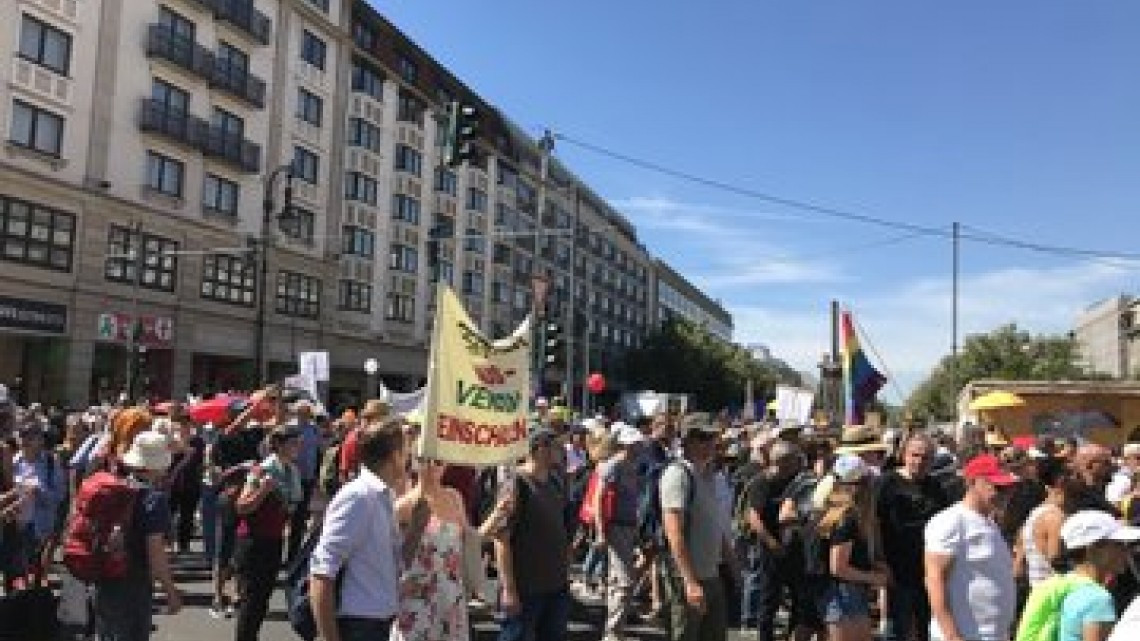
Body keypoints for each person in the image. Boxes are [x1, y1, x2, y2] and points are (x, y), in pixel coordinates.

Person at [390, 453, 513, 641]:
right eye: (424, 460)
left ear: (446, 465)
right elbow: (392, 557)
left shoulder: (454, 497)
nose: (431, 467)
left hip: (451, 598)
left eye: (438, 462)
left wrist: (496, 515)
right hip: (417, 601)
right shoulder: (403, 506)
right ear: (414, 463)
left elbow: (471, 541)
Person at [311, 418, 408, 641]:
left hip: (384, 621)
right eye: (406, 452)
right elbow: (321, 574)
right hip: (361, 624)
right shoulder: (359, 496)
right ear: (394, 456)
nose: (408, 460)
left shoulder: (383, 495)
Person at [92, 429, 182, 641]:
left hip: (104, 576)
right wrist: (170, 590)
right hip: (134, 581)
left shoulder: (116, 487)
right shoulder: (153, 499)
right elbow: (156, 553)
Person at [925, 453, 1017, 641]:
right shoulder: (951, 521)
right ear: (972, 482)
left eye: (1008, 488)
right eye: (997, 487)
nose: (1005, 494)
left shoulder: (990, 522)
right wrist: (952, 636)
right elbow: (934, 581)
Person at [660, 415, 734, 641]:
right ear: (688, 441)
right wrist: (690, 581)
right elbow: (674, 531)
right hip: (688, 576)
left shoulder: (708, 474)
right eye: (703, 437)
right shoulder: (678, 474)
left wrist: (730, 562)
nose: (710, 442)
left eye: (712, 436)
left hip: (711, 574)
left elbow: (715, 523)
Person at [1016, 510, 1140, 641]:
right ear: (1093, 549)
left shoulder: (1059, 586)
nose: (1126, 551)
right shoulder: (1098, 599)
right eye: (1118, 544)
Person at [496, 428, 572, 641]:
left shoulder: (557, 481)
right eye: (557, 446)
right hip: (526, 587)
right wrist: (509, 589)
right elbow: (501, 539)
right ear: (540, 449)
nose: (563, 451)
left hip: (556, 586)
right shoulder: (517, 483)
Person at [232, 424, 303, 641]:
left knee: (263, 598)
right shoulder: (262, 470)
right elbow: (242, 507)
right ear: (279, 445)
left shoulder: (292, 471)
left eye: (299, 443)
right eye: (293, 443)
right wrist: (263, 491)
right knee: (252, 599)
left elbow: (293, 505)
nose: (298, 447)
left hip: (273, 540)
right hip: (253, 541)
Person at [877, 432, 950, 641]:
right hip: (897, 570)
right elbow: (873, 525)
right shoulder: (886, 483)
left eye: (925, 457)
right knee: (899, 630)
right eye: (915, 455)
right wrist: (880, 561)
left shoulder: (936, 486)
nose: (919, 461)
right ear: (904, 455)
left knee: (928, 627)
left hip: (928, 570)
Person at [817, 455, 891, 641]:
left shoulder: (831, 510)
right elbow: (838, 567)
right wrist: (874, 578)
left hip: (840, 592)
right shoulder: (847, 517)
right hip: (843, 593)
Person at [742, 440, 808, 641]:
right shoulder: (762, 482)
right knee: (770, 597)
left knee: (799, 596)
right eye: (792, 461)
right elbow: (754, 517)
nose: (797, 465)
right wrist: (771, 543)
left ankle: (793, 634)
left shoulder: (796, 480)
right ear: (779, 461)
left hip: (795, 547)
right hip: (772, 547)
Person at [595, 426, 647, 641]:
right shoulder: (613, 465)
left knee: (619, 581)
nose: (638, 447)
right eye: (635, 444)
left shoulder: (632, 466)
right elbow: (598, 498)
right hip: (616, 526)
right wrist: (600, 531)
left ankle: (616, 630)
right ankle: (613, 633)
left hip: (628, 526)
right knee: (624, 582)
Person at [10, 421, 64, 587]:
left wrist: (39, 492)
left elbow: (59, 495)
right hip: (17, 523)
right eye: (24, 436)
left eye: (33, 436)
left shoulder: (50, 462)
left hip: (41, 526)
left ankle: (37, 604)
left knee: (36, 573)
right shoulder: (13, 461)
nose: (26, 440)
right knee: (16, 572)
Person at [1018, 457, 1071, 590]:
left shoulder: (1036, 512)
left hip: (1040, 592)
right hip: (1053, 596)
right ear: (1061, 480)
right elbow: (1057, 561)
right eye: (1074, 474)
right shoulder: (1055, 517)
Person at [287, 401, 322, 563]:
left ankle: (293, 555)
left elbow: (318, 452)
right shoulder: (290, 428)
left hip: (307, 478)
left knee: (300, 518)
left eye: (308, 413)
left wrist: (316, 476)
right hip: (290, 477)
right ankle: (283, 551)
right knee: (287, 514)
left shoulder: (314, 429)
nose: (305, 415)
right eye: (302, 412)